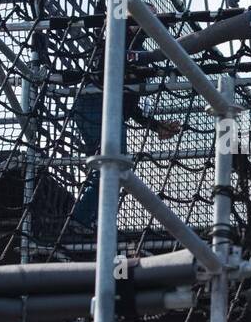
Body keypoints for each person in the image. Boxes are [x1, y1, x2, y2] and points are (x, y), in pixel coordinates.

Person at [68, 20, 181, 233]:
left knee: (113, 167)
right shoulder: (117, 40)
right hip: (94, 104)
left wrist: (156, 126)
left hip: (105, 109)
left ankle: (87, 221)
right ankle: (81, 221)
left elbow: (131, 107)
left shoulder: (140, 53)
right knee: (113, 165)